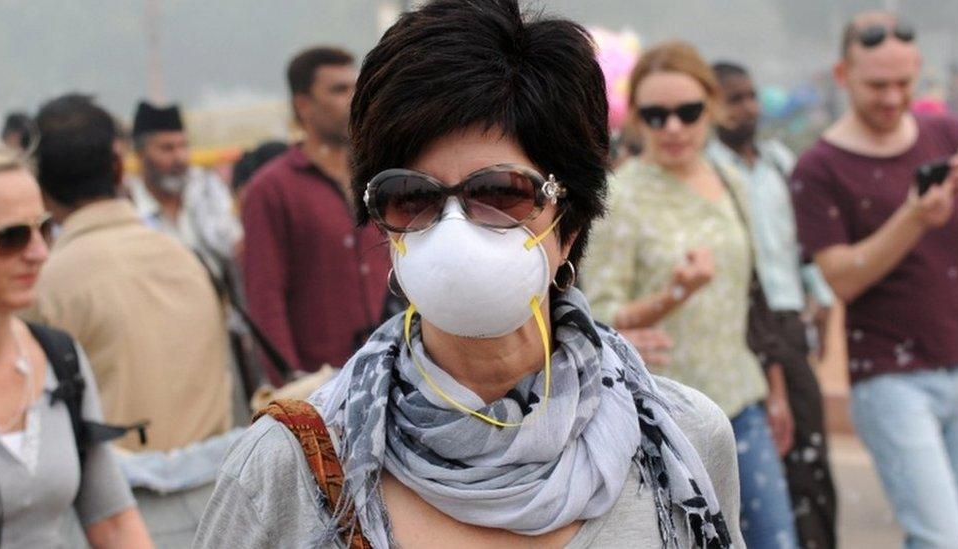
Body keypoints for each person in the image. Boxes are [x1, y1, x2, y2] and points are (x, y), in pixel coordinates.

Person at [196, 1, 742, 547]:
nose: (454, 230)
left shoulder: (682, 443)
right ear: (383, 227)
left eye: (501, 192)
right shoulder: (291, 465)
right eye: (411, 197)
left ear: (568, 225)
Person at [582, 41, 798, 549]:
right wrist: (673, 295)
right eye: (656, 115)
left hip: (741, 398)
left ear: (711, 108)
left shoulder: (729, 181)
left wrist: (777, 388)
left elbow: (748, 298)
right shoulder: (621, 197)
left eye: (688, 112)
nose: (673, 128)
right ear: (636, 118)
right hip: (664, 416)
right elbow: (604, 316)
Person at [791, 11, 958, 547]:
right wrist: (912, 217)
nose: (892, 98)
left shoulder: (946, 131)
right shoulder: (818, 168)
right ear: (843, 75)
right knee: (940, 538)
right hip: (890, 374)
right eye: (876, 85)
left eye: (903, 83)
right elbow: (841, 278)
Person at [25, 94, 236, 546]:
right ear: (120, 168)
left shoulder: (43, 285)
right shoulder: (188, 257)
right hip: (218, 505)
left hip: (113, 518)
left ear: (40, 186)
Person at [707, 61, 838, 549]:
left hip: (787, 314)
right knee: (756, 460)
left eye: (749, 96)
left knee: (808, 456)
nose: (746, 108)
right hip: (741, 322)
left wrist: (820, 298)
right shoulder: (710, 172)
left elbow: (799, 241)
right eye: (732, 98)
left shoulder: (781, 163)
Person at [0, 147, 151, 548]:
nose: (39, 252)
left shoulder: (59, 358)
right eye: (11, 237)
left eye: (44, 228)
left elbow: (114, 521)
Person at [241, 47, 390, 385]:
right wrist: (292, 388)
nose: (354, 99)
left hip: (389, 371)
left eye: (357, 87)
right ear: (303, 104)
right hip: (319, 385)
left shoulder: (379, 175)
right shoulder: (271, 188)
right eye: (339, 90)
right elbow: (265, 298)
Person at [126, 101, 242, 274]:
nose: (180, 158)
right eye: (167, 148)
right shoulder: (129, 205)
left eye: (183, 146)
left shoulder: (206, 188)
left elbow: (233, 244)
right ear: (141, 154)